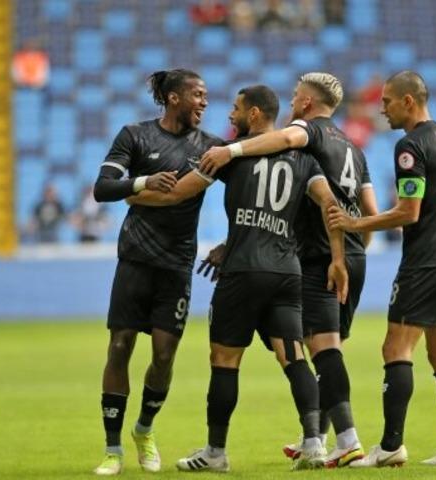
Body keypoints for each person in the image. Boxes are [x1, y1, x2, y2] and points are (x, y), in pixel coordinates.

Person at [127, 84, 350, 472]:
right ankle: (314, 442)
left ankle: (216, 452)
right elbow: (330, 204)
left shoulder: (230, 156)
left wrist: (133, 193)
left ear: (254, 114)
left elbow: (178, 193)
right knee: (294, 356)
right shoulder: (304, 160)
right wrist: (337, 258)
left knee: (225, 360)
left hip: (244, 272)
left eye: (236, 109)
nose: (229, 116)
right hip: (286, 271)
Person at [199, 72, 379, 468]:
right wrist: (350, 252)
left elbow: (283, 141)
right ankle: (315, 438)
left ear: (308, 104)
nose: (294, 102)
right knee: (326, 351)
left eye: (298, 96)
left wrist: (231, 152)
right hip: (353, 254)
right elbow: (372, 213)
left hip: (318, 257)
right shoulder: (354, 148)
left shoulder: (308, 133)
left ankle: (343, 439)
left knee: (322, 351)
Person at [327, 70, 436, 468]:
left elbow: (407, 213)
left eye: (388, 102)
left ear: (408, 101)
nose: (383, 109)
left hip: (426, 261)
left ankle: (391, 446)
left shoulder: (410, 146)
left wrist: (355, 223)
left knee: (395, 348)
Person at [90, 68, 224, 476]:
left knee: (164, 355)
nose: (204, 101)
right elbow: (102, 189)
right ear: (173, 98)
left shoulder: (209, 147)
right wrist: (144, 183)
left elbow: (247, 184)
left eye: (206, 95)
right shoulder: (134, 136)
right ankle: (113, 450)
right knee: (119, 347)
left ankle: (144, 430)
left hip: (177, 265)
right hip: (135, 259)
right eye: (197, 94)